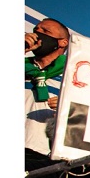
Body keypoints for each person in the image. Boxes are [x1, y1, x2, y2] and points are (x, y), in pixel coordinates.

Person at [25, 17, 69, 161]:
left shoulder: (73, 76)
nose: (38, 33)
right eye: (36, 29)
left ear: (63, 42)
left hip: (43, 157)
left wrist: (68, 109)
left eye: (45, 31)